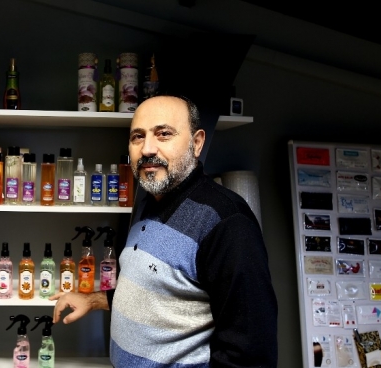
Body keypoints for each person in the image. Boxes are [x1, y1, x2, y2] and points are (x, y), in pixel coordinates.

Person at [50, 95, 278, 367]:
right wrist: (94, 300)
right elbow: (152, 288)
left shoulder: (226, 221)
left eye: (164, 134)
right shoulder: (148, 203)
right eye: (138, 137)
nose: (147, 149)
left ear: (197, 143)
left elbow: (250, 354)